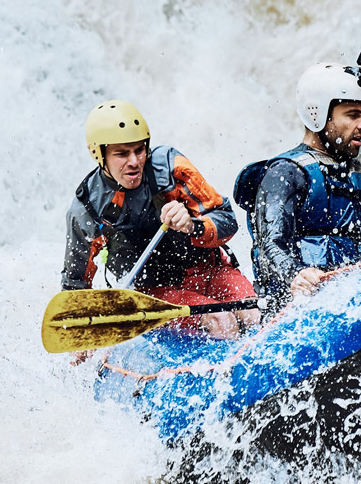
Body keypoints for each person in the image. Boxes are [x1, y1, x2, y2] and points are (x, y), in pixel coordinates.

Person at [60, 100, 259, 338]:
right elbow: (76, 281)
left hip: (210, 271)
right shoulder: (88, 208)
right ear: (100, 155)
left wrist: (192, 226)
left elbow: (226, 219)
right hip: (156, 295)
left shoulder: (171, 168)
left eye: (139, 150)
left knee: (255, 314)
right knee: (222, 322)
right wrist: (79, 333)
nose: (134, 161)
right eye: (122, 153)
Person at [235, 49, 361, 311]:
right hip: (295, 312)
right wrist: (296, 274)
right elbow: (271, 244)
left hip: (354, 303)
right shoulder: (285, 173)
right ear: (317, 114)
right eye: (352, 115)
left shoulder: (360, 177)